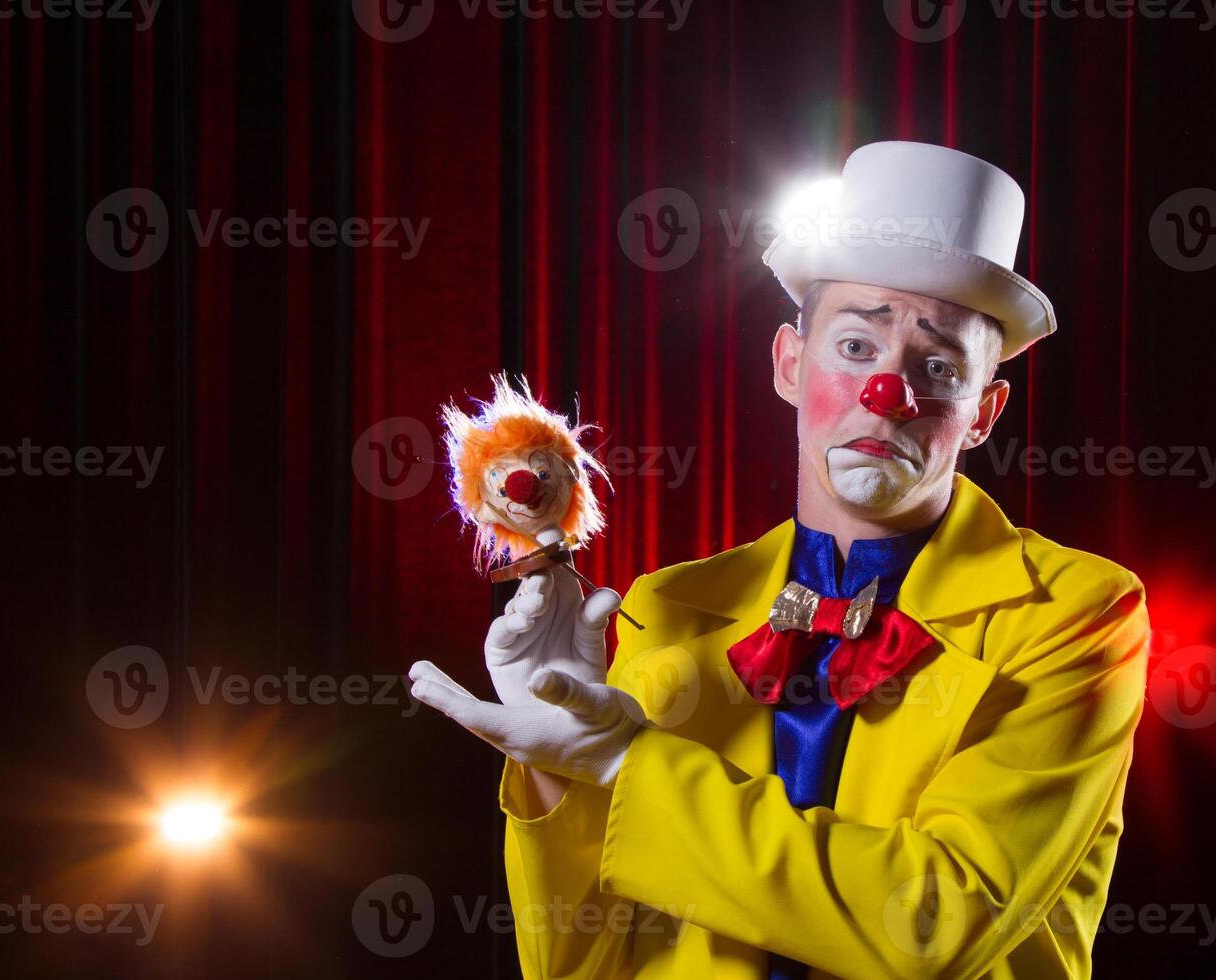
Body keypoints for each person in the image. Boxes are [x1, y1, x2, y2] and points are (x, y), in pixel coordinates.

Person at [410, 141, 1151, 979]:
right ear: (790, 365)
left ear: (981, 412)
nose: (888, 393)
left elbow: (937, 926)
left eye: (937, 366)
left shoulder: (1078, 614)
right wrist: (558, 767)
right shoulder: (668, 605)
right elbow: (578, 966)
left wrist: (629, 761)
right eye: (857, 347)